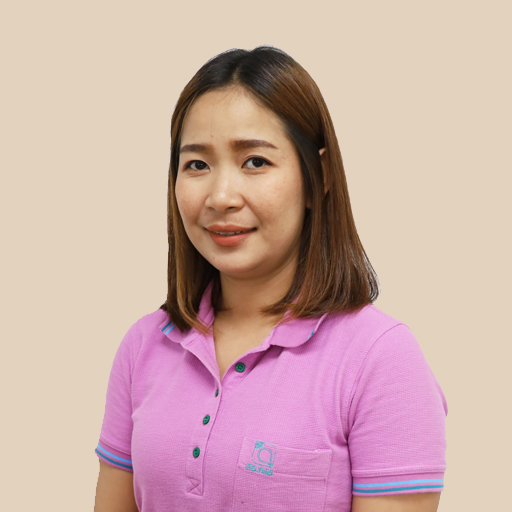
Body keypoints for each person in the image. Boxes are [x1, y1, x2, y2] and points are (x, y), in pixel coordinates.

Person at [93, 46, 448, 512]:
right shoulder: (144, 346)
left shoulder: (380, 360)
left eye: (255, 162)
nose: (221, 196)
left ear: (319, 176)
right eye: (197, 164)